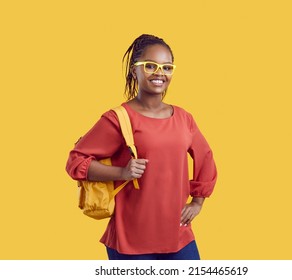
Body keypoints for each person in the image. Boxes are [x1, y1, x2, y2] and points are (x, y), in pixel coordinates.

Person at [66, 34, 217, 260]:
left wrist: (197, 202)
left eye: (167, 67)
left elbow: (205, 158)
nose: (159, 73)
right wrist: (122, 172)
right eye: (150, 66)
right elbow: (75, 162)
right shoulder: (118, 118)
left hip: (178, 236)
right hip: (130, 242)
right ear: (134, 71)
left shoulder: (184, 118)